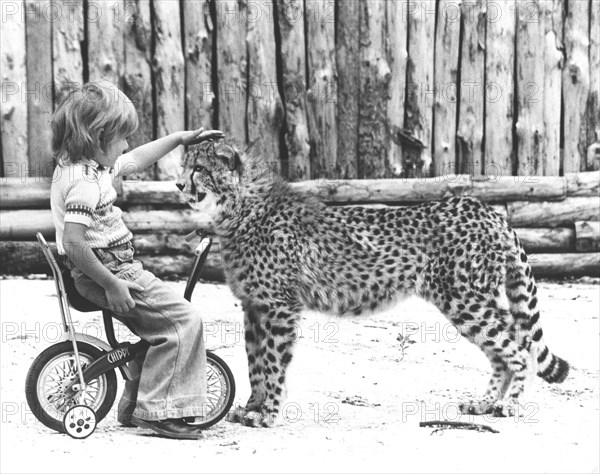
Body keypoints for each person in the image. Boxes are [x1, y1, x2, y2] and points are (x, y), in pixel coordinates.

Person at [50, 80, 223, 439]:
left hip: (109, 268)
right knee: (182, 321)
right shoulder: (84, 183)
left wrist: (178, 138)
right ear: (98, 137)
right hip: (108, 271)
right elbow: (75, 242)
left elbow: (136, 158)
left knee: (159, 326)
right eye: (122, 137)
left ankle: (133, 405)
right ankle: (160, 413)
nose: (127, 144)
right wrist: (111, 284)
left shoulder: (88, 166)